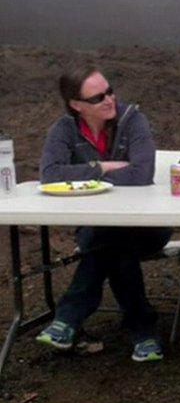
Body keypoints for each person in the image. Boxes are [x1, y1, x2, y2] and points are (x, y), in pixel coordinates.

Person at [36, 66, 172, 362]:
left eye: (110, 91)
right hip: (98, 229)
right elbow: (49, 175)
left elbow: (141, 173)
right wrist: (102, 168)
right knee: (114, 245)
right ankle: (144, 331)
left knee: (108, 240)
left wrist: (82, 176)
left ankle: (68, 318)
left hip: (148, 227)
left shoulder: (133, 120)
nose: (109, 99)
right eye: (98, 98)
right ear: (76, 105)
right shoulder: (64, 129)